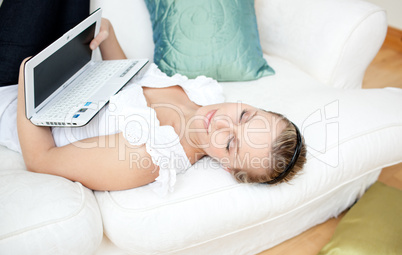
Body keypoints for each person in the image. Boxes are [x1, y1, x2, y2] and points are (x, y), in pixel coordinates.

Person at [3, 18, 307, 196]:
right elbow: (127, 81)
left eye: (230, 144)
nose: (221, 123)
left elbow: (41, 159)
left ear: (227, 167)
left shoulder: (150, 155)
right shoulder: (204, 94)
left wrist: (29, 78)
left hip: (17, 95)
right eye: (243, 115)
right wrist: (107, 34)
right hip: (66, 65)